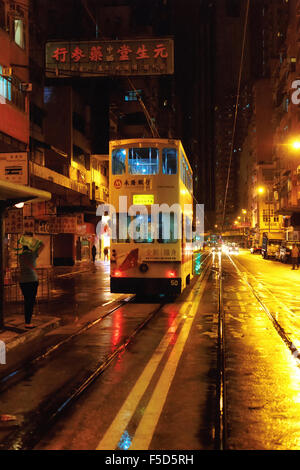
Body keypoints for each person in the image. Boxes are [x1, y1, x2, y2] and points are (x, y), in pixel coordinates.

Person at [19, 242, 44, 328]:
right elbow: (42, 245)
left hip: (22, 281)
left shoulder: (20, 256)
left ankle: (27, 321)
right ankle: (28, 322)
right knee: (31, 301)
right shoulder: (32, 255)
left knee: (27, 301)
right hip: (32, 280)